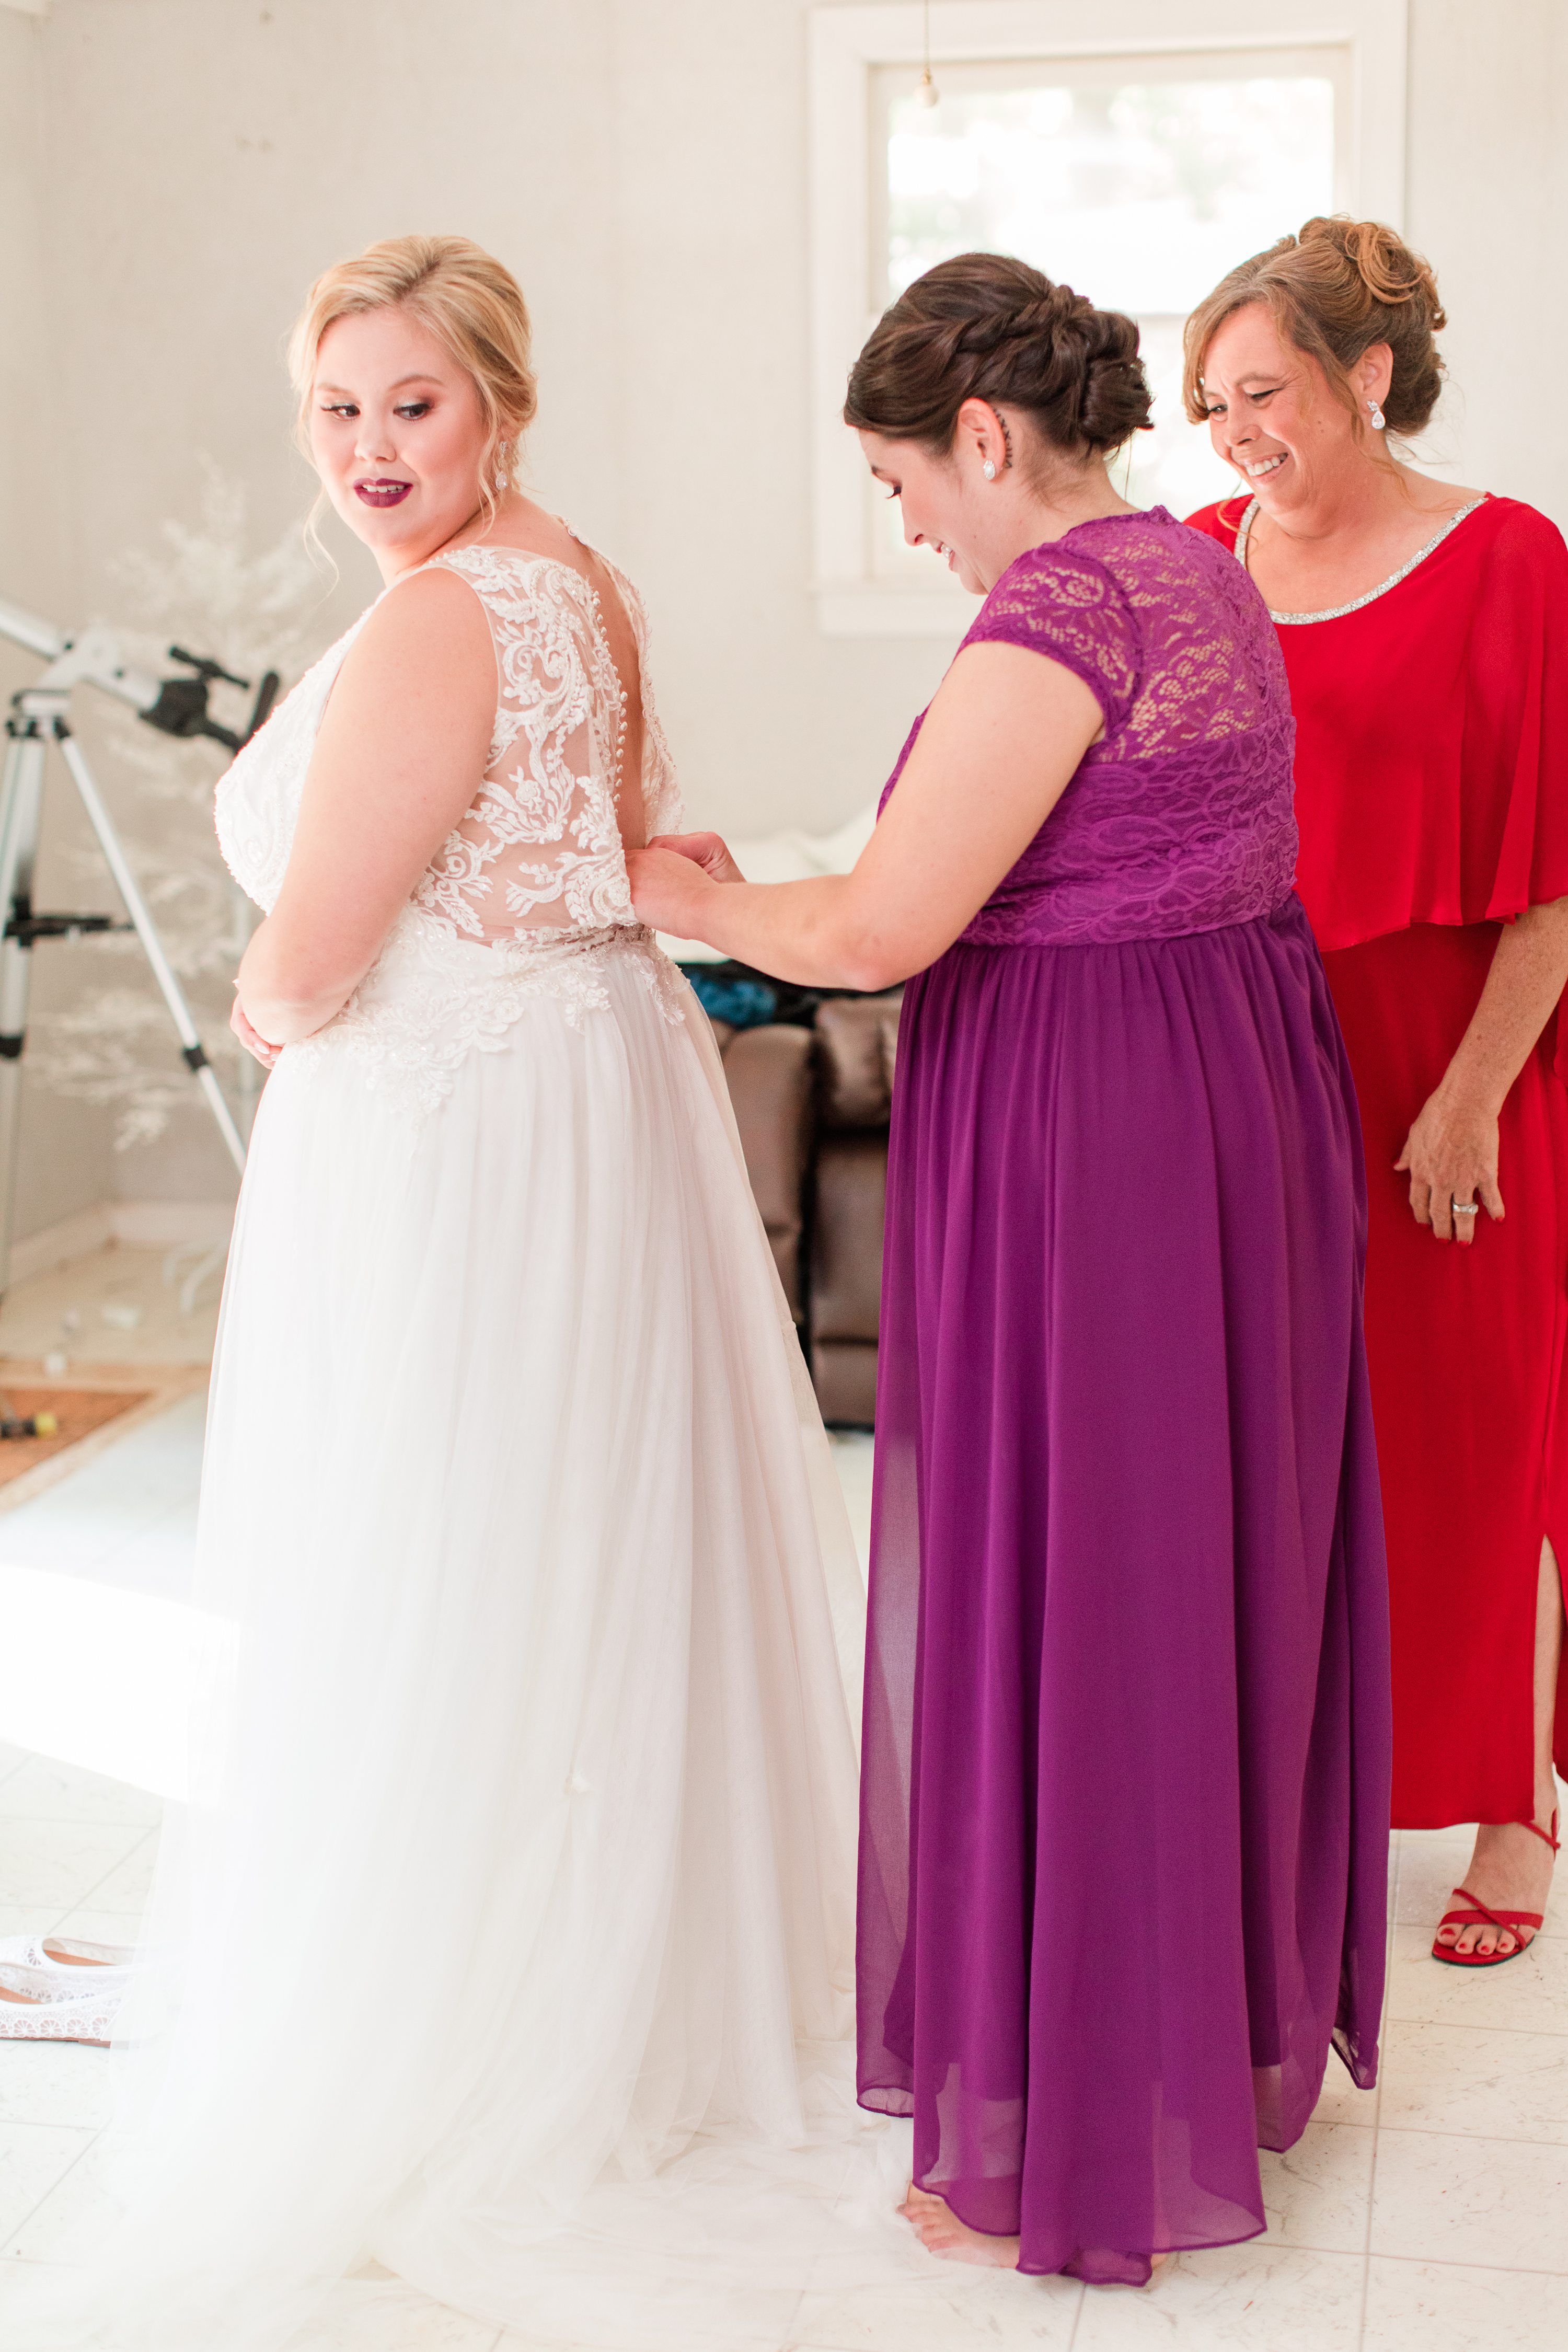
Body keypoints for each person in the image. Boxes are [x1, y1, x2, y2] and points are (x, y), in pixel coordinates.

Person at [17, 235, 872, 2352]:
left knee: (429, 1545)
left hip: (444, 1126)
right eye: (337, 410)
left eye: (413, 404)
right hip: (582, 1089)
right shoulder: (583, 579)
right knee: (555, 1544)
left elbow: (318, 945)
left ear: (500, 400)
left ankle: (426, 2005)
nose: (373, 450)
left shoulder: (441, 623)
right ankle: (588, 1974)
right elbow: (627, 844)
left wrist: (267, 993)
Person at [630, 251, 1392, 2288]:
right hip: (1228, 1095)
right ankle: (1198, 2049)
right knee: (1189, 1567)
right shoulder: (1200, 569)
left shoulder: (1056, 608)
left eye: (902, 481)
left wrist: (659, 885)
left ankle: (1064, 2125)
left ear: (982, 436)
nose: (909, 525)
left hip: (1107, 1134)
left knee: (1088, 1589)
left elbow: (886, 927)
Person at [1184, 217, 1568, 1965]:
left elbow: (1557, 876)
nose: (1235, 430)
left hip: (1453, 1062)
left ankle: (1514, 1804)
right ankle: (1298, 1786)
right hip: (1251, 1070)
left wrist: (1473, 1092)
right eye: (1209, 400)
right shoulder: (1192, 560)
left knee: (1482, 1439)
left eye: (1263, 389)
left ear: (1369, 377)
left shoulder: (1511, 562)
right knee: (1280, 1442)